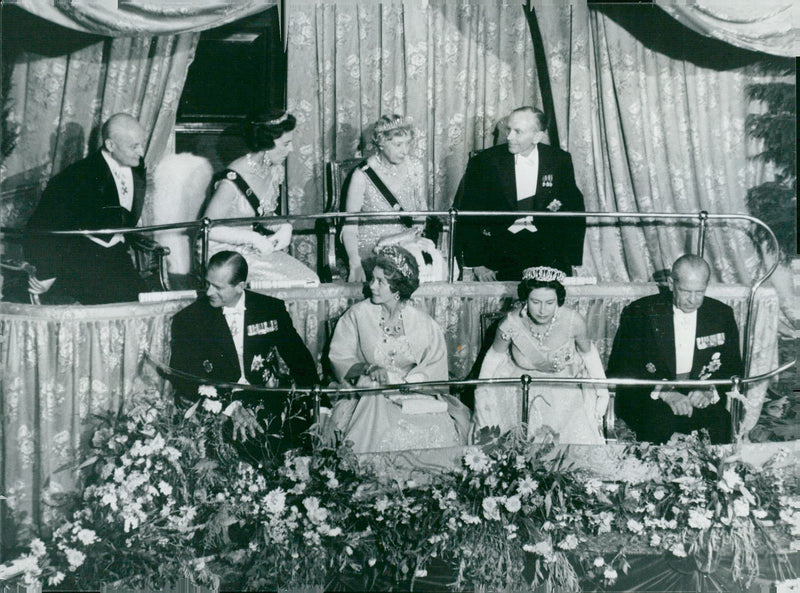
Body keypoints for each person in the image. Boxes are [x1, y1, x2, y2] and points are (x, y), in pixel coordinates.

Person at [169, 251, 323, 453]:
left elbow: (300, 360)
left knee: (304, 446)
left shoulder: (270, 309)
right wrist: (230, 407)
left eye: (218, 287)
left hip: (268, 399)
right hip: (220, 405)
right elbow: (183, 377)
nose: (208, 292)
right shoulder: (189, 319)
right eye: (207, 283)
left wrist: (321, 405)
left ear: (240, 286)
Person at [328, 245, 471, 453]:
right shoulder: (357, 315)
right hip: (370, 395)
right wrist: (367, 368)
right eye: (372, 279)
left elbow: (435, 365)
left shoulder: (423, 322)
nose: (372, 286)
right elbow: (340, 358)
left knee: (435, 428)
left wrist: (413, 382)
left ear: (397, 288)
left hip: (415, 395)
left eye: (380, 282)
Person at [606, 254, 743, 444]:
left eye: (700, 292)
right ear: (671, 284)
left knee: (721, 424)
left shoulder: (721, 314)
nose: (693, 300)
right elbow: (621, 367)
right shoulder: (640, 311)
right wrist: (665, 392)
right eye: (686, 291)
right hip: (651, 395)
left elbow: (733, 367)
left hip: (698, 394)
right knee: (659, 424)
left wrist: (708, 390)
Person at [472, 266, 608, 444]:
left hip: (563, 389)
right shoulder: (510, 323)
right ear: (525, 299)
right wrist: (481, 391)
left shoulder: (574, 322)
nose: (542, 310)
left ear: (558, 300)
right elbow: (494, 357)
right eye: (535, 302)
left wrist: (603, 392)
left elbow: (589, 356)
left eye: (550, 303)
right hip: (519, 388)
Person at [23, 113, 148, 304]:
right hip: (82, 262)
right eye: (134, 146)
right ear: (110, 145)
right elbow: (44, 225)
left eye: (141, 144)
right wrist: (48, 272)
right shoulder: (77, 176)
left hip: (119, 259)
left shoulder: (137, 167)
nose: (141, 152)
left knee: (145, 304)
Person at [454, 106, 585, 281]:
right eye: (509, 129)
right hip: (499, 254)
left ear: (537, 136)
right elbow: (469, 213)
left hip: (547, 252)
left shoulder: (560, 160)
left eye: (518, 132)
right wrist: (477, 264)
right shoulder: (485, 162)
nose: (509, 137)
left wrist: (572, 261)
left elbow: (574, 209)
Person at [200, 110, 319, 286]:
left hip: (251, 249)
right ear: (266, 144)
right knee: (289, 283)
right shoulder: (231, 181)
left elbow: (263, 213)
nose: (291, 149)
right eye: (286, 144)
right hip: (221, 254)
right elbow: (208, 229)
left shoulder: (273, 170)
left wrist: (283, 226)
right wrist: (253, 238)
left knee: (309, 280)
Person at [341, 114, 446, 283]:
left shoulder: (415, 168)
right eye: (398, 145)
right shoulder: (362, 175)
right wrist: (355, 264)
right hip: (373, 247)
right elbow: (350, 227)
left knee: (436, 264)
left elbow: (421, 210)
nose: (405, 151)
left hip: (408, 240)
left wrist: (414, 234)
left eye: (408, 143)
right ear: (381, 143)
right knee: (405, 270)